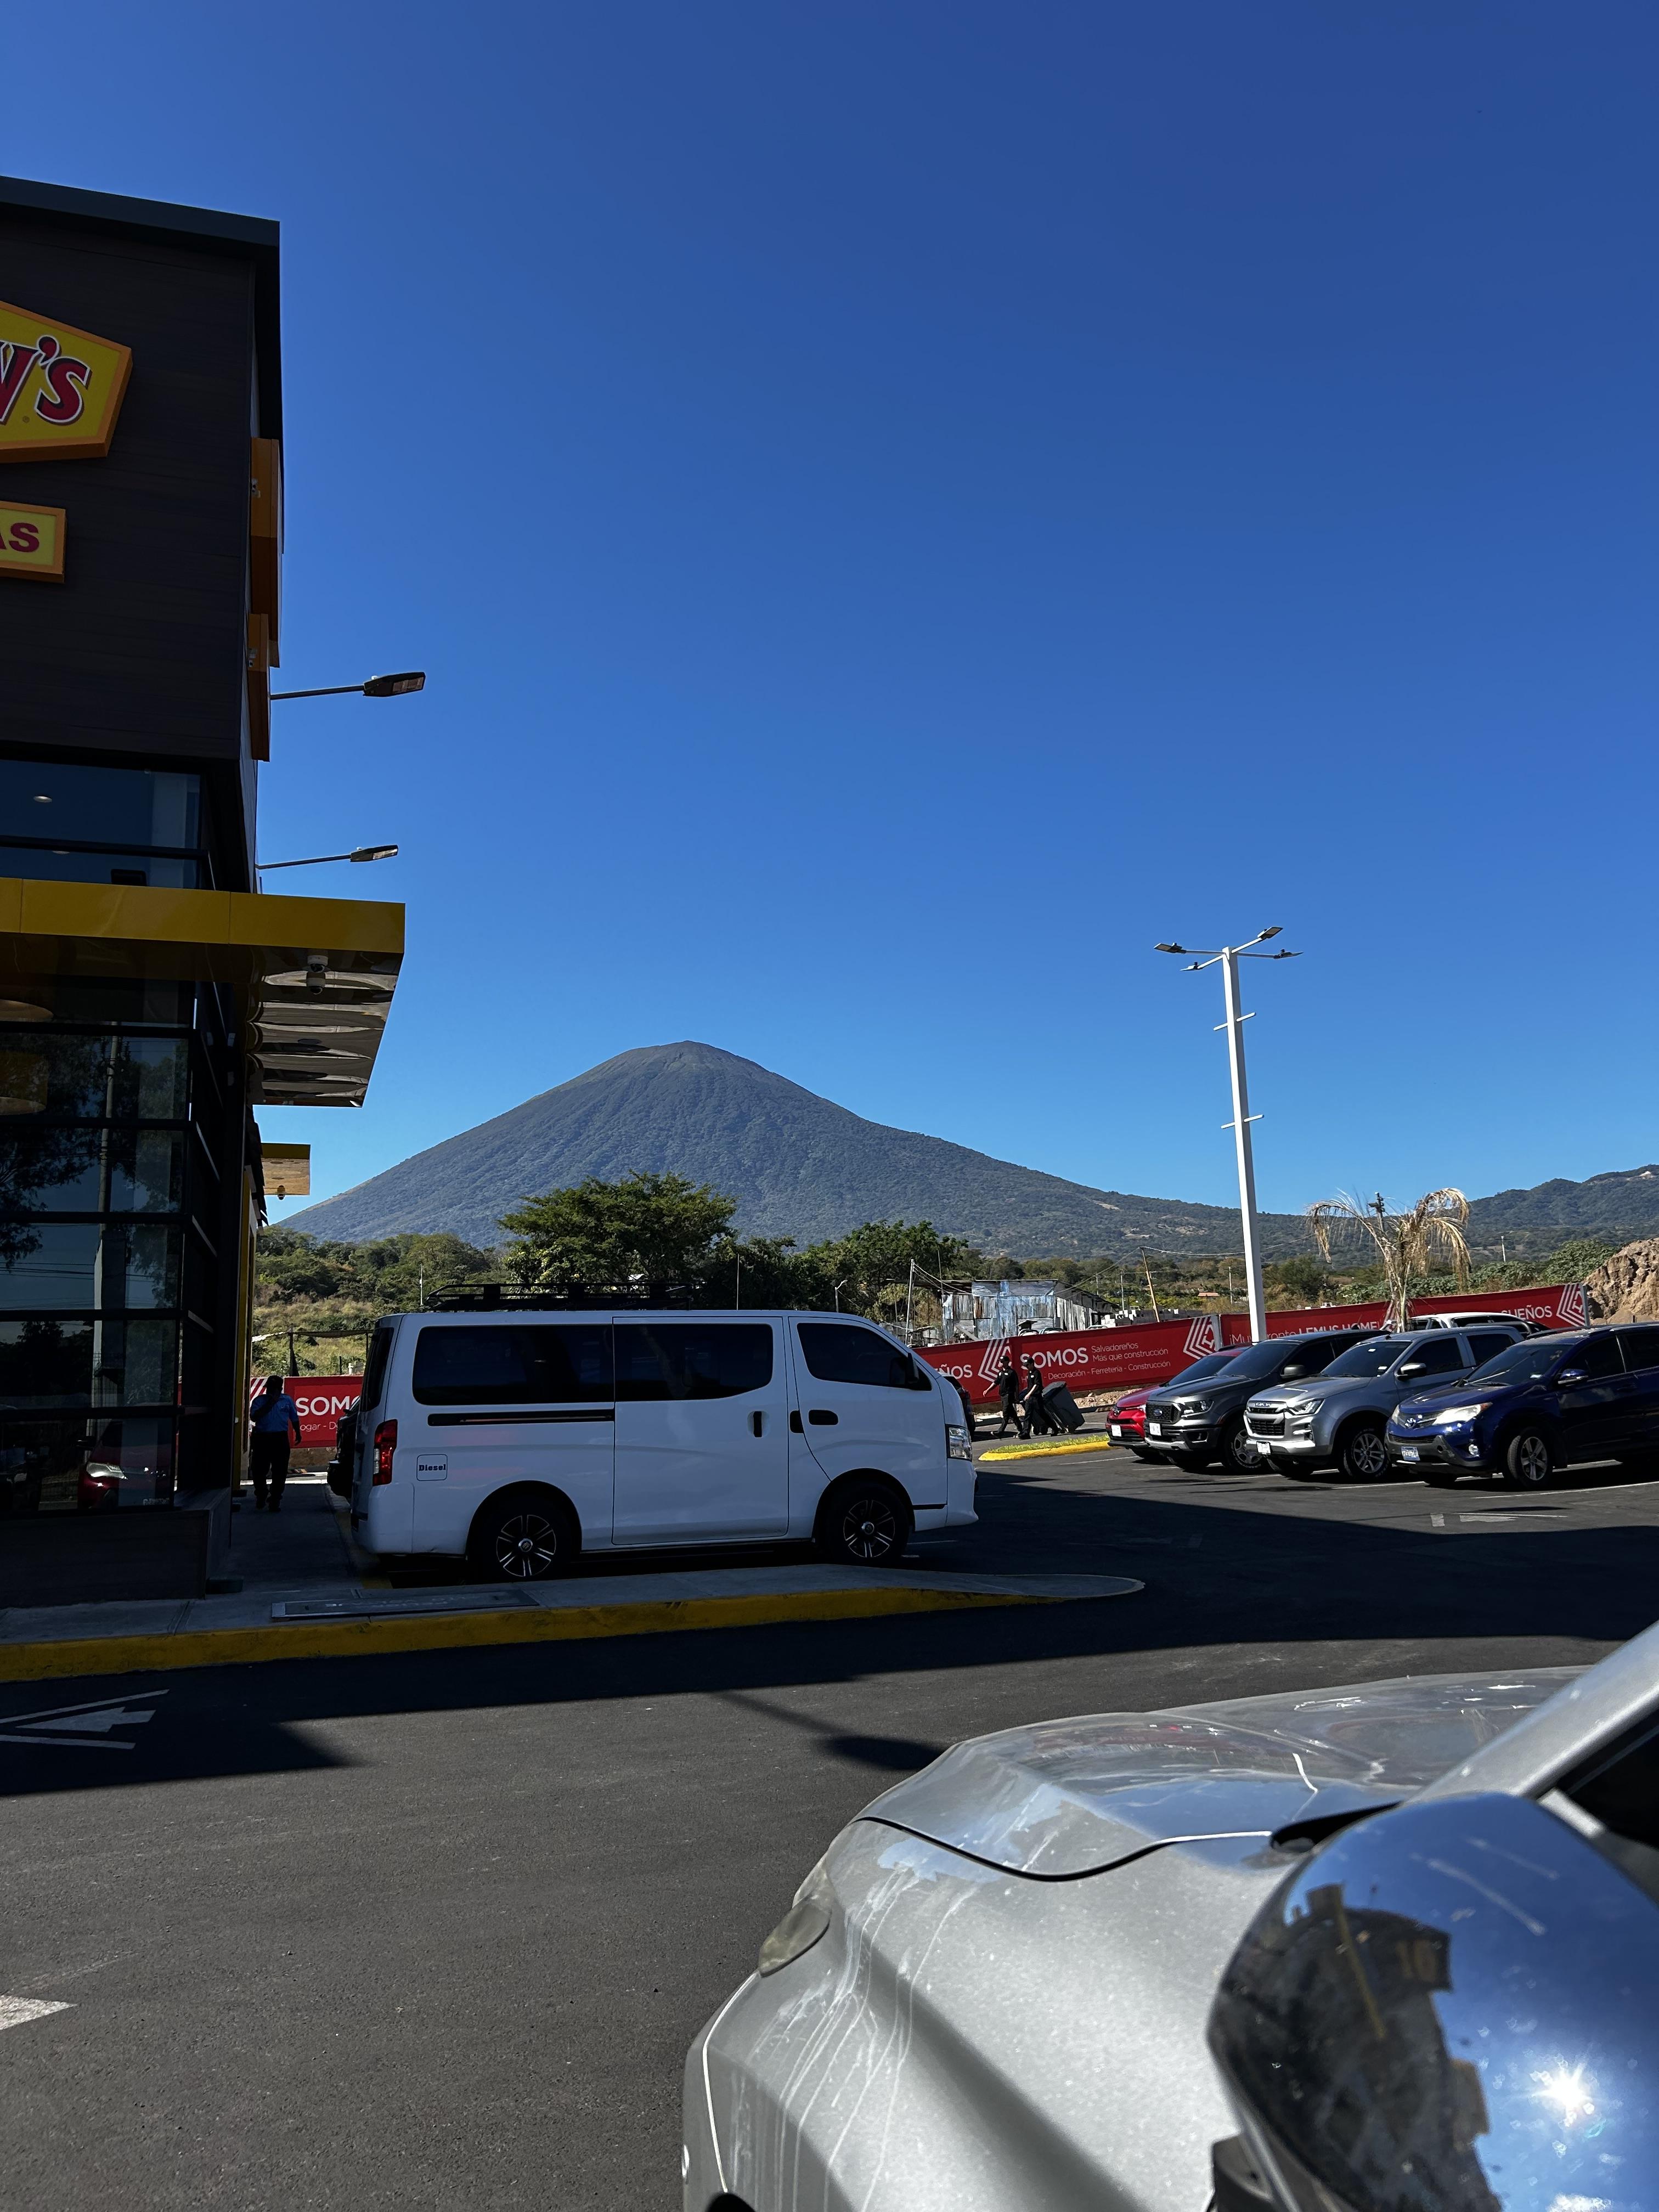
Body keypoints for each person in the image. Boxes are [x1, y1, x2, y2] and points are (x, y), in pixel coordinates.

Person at [248, 1374, 301, 1512]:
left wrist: (298, 1432)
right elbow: (254, 1417)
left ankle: (275, 1499)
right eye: (269, 1388)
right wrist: (271, 1402)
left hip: (280, 1438)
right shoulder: (259, 1401)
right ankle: (261, 1494)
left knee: (280, 1471)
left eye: (273, 1389)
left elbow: (294, 1418)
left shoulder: (287, 1400)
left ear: (280, 1389)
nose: (270, 1391)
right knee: (259, 1470)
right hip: (262, 1438)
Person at [1022, 1355, 1054, 1436]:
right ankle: (1026, 1433)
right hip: (1030, 1399)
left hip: (1036, 1398)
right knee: (1028, 1415)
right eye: (1026, 1366)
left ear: (1032, 1364)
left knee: (1042, 1414)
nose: (1026, 1367)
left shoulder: (1036, 1373)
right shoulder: (1029, 1373)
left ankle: (1055, 1428)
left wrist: (1029, 1394)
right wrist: (1028, 1395)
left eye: (1027, 1365)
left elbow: (1036, 1385)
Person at [994, 1357, 1026, 1438]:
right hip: (1003, 1396)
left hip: (1009, 1395)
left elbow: (1017, 1385)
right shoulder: (1000, 1372)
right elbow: (996, 1382)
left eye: (1002, 1361)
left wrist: (1017, 1397)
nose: (1001, 1363)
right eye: (1000, 1362)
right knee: (1012, 1414)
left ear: (1007, 1362)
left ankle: (1001, 1432)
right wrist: (987, 1390)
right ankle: (1021, 1429)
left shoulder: (1012, 1372)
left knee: (1006, 1413)